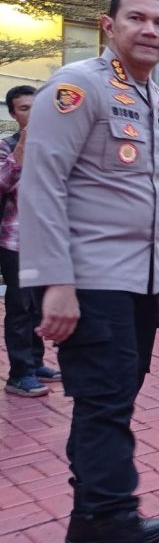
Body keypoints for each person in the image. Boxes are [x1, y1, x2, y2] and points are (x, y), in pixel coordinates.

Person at [19, 0, 159, 543]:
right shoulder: (78, 87)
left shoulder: (154, 97)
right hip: (89, 281)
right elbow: (42, 185)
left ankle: (85, 521)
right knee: (103, 410)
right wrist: (55, 284)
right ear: (108, 25)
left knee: (110, 401)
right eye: (137, 19)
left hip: (139, 282)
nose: (151, 30)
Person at [1, 86, 59, 398]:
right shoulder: (5, 147)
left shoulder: (53, 146)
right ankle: (19, 374)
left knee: (38, 309)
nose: (32, 114)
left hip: (47, 242)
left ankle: (35, 364)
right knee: (21, 309)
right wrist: (24, 144)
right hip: (16, 242)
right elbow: (2, 183)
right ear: (13, 113)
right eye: (24, 108)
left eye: (37, 107)